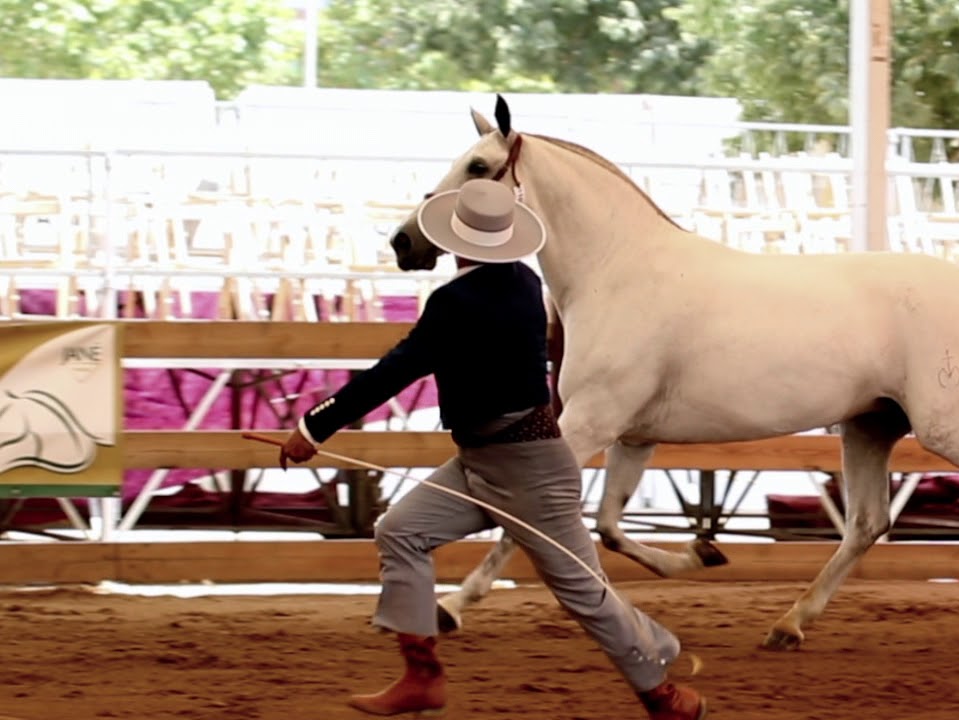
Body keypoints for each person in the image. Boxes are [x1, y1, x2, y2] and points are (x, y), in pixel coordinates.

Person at [279, 178, 707, 720]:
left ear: (455, 239)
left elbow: (397, 369)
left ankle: (660, 693)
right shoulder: (523, 282)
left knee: (580, 589)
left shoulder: (455, 302)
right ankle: (421, 676)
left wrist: (315, 426)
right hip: (492, 459)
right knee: (401, 530)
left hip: (524, 470)